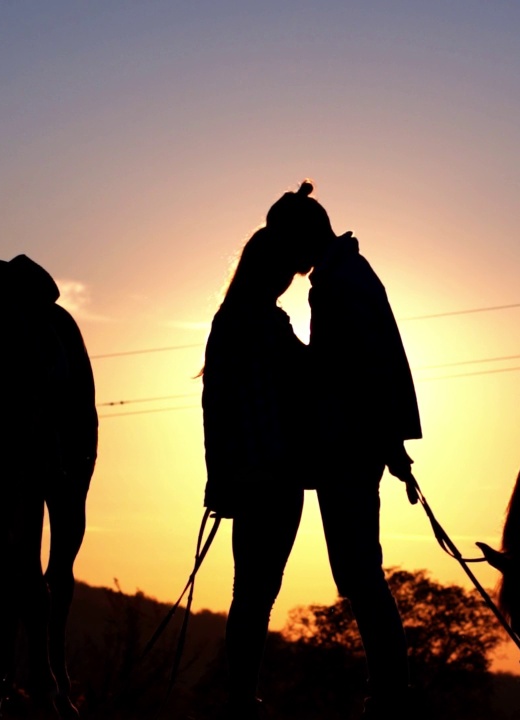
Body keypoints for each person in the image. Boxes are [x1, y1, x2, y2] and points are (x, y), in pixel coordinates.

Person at [265, 180, 422, 717]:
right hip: (360, 443)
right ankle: (389, 692)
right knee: (361, 573)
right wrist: (395, 444)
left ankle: (389, 696)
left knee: (360, 573)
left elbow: (345, 371)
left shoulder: (336, 284)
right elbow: (376, 364)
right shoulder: (350, 272)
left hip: (348, 447)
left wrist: (285, 348)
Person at [201, 226, 308, 719]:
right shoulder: (263, 322)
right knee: (256, 594)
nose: (289, 278)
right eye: (284, 269)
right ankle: (242, 699)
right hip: (272, 471)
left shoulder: (233, 319)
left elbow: (214, 404)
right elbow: (304, 376)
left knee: (250, 592)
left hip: (250, 473)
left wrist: (219, 475)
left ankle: (241, 696)